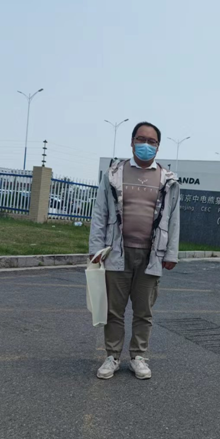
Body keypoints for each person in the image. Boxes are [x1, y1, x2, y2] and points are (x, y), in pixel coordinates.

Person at [88, 122, 180, 380]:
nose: (146, 145)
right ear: (131, 142)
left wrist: (171, 253)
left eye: (152, 141)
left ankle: (138, 356)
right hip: (117, 252)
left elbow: (174, 218)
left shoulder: (168, 180)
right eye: (141, 139)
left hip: (151, 255)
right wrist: (95, 248)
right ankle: (112, 356)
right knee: (113, 310)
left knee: (144, 311)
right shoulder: (114, 174)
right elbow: (100, 213)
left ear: (158, 146)